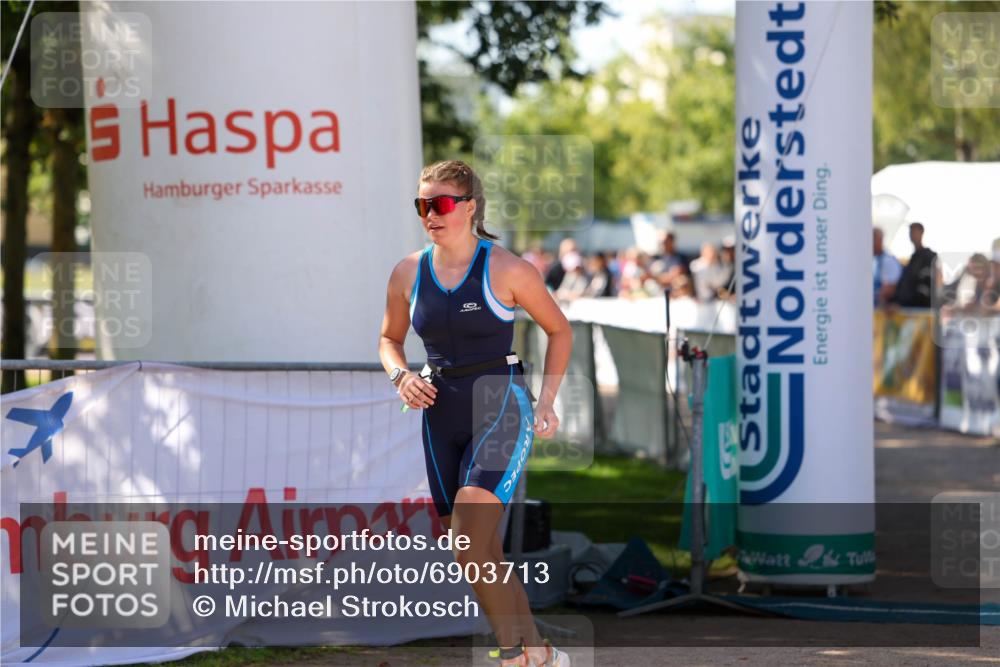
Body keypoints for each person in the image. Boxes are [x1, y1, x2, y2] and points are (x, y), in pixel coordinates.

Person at [378, 160, 573, 667]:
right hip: (439, 412)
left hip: (499, 403)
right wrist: (402, 375)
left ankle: (512, 655)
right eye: (422, 205)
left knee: (468, 537)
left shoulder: (506, 268)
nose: (430, 214)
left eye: (440, 204)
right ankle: (540, 654)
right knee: (476, 548)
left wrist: (547, 400)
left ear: (469, 208)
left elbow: (560, 330)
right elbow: (389, 340)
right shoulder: (406, 271)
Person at [891, 222, 937, 308]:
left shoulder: (928, 257)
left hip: (920, 311)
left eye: (914, 232)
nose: (912, 235)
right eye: (911, 232)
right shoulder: (913, 259)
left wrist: (906, 303)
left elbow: (925, 288)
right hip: (909, 309)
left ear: (921, 233)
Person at [873, 227, 903, 307]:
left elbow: (888, 290)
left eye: (873, 239)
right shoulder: (875, 260)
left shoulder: (888, 261)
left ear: (880, 240)